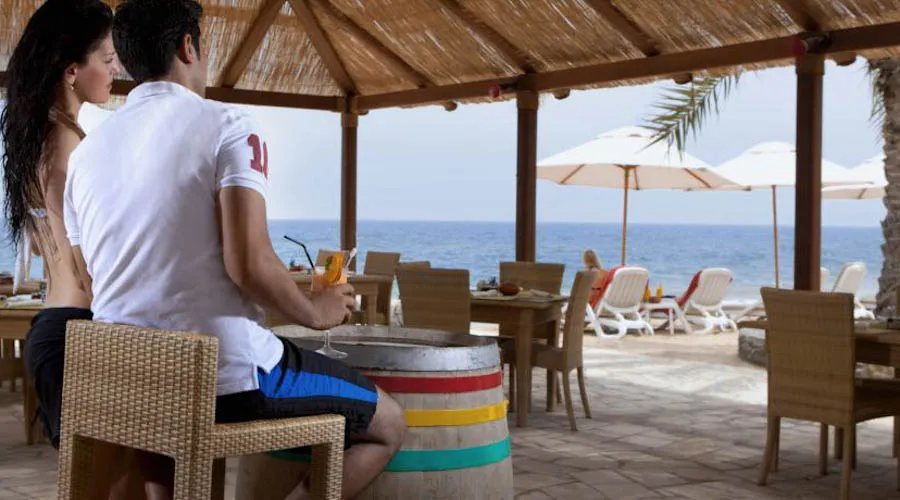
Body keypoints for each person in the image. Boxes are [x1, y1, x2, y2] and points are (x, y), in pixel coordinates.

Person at [65, 0, 406, 497]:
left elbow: (90, 279)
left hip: (134, 376)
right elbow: (248, 264)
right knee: (389, 424)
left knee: (165, 459)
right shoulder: (227, 125)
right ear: (189, 47)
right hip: (225, 377)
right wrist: (317, 309)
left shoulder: (86, 154)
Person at [1, 0, 117, 451]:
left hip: (54, 324)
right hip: (77, 331)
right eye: (107, 59)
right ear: (72, 71)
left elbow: (46, 244)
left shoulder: (41, 138)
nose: (115, 69)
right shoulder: (69, 147)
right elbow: (82, 257)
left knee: (101, 476)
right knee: (113, 473)